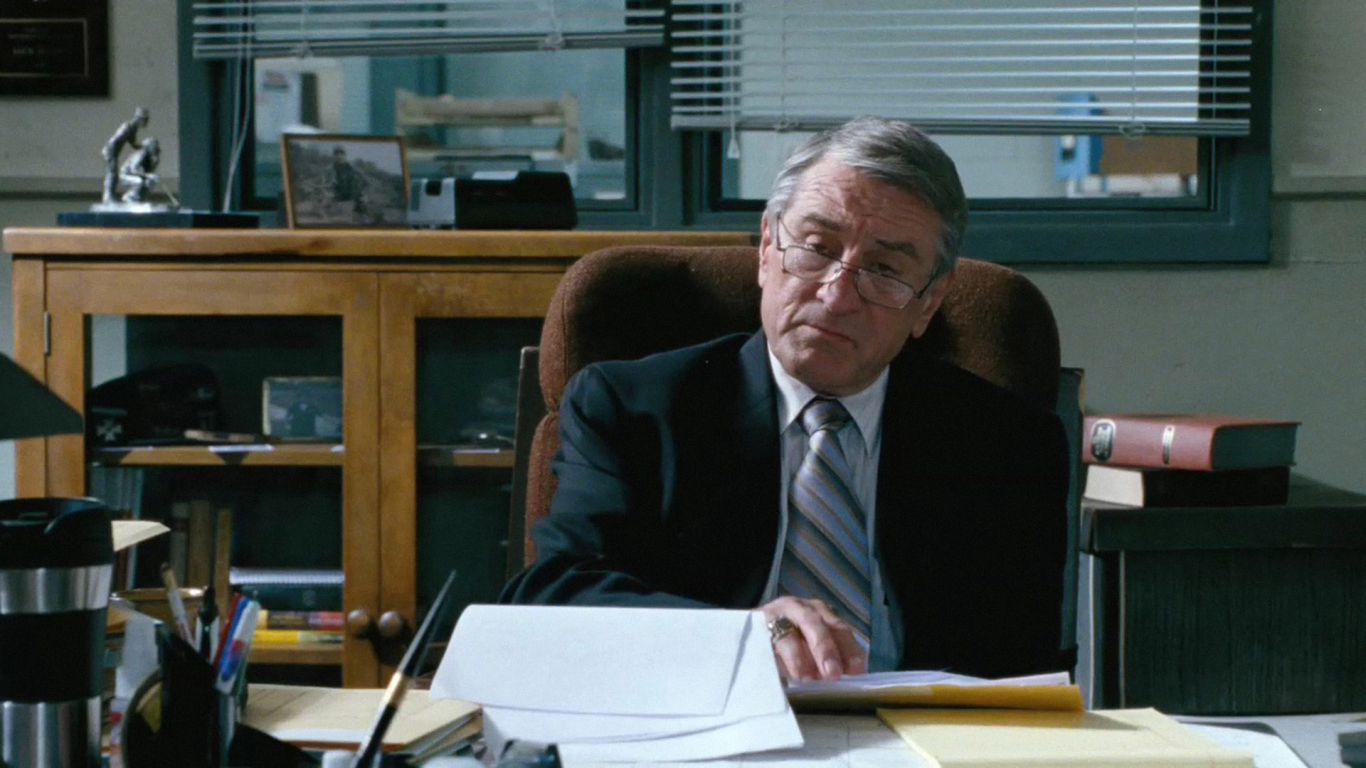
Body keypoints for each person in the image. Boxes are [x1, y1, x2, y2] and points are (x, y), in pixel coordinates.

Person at [502, 117, 1070, 683]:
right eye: (817, 248)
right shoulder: (634, 410)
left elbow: (1019, 667)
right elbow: (554, 599)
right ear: (767, 248)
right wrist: (737, 638)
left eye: (884, 270)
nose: (837, 296)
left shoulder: (1008, 446)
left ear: (929, 303)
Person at [102, 107, 149, 204]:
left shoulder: (133, 128)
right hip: (111, 151)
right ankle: (108, 197)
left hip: (113, 151)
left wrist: (143, 147)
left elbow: (133, 143)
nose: (146, 123)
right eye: (145, 120)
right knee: (112, 174)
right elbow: (115, 139)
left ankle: (109, 196)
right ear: (140, 119)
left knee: (113, 174)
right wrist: (111, 153)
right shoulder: (127, 126)